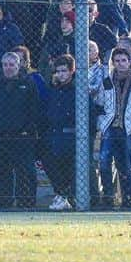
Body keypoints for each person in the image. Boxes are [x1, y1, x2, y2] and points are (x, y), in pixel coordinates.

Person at [93, 47, 131, 209]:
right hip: (110, 128)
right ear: (113, 63)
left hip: (130, 129)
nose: (120, 64)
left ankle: (130, 199)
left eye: (123, 60)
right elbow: (99, 106)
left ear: (129, 61)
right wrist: (102, 124)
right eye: (117, 61)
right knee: (104, 162)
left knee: (128, 165)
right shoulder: (107, 81)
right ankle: (108, 198)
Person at [0, 52, 41, 209]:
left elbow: (34, 110)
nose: (8, 68)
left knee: (25, 171)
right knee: (2, 172)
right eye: (5, 65)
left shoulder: (28, 84)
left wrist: (28, 129)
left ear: (19, 65)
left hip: (22, 137)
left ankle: (26, 203)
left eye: (12, 65)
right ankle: (1, 203)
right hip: (0, 136)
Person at [40, 56, 88, 211]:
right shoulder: (53, 89)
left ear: (71, 71)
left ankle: (65, 196)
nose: (61, 74)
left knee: (69, 166)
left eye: (64, 71)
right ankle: (62, 194)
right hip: (53, 134)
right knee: (48, 161)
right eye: (58, 71)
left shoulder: (78, 90)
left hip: (72, 135)